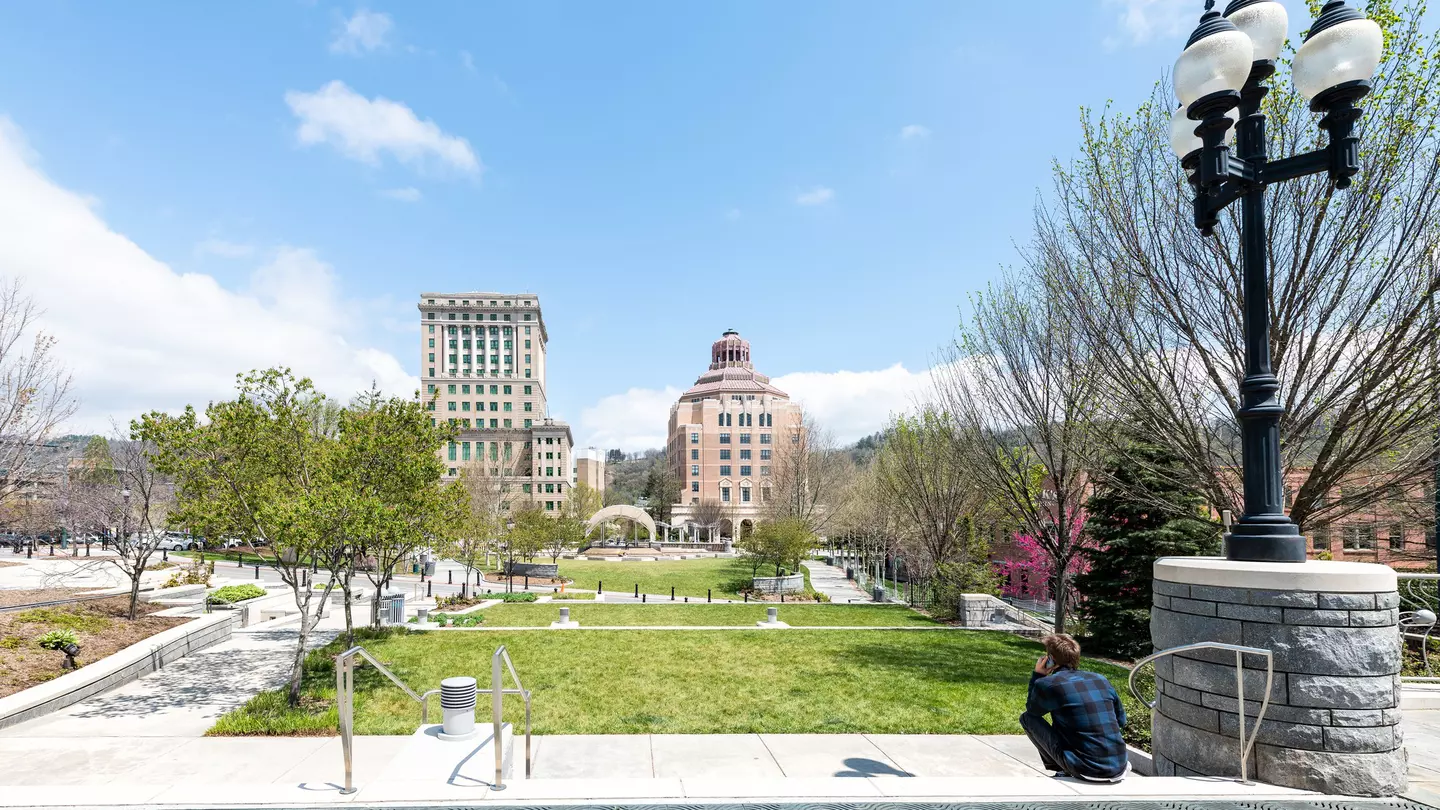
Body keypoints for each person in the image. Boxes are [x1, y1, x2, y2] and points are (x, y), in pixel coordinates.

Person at [1020, 633, 1130, 782]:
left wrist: (1038, 675)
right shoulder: (1100, 679)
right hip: (1120, 767)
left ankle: (1062, 769)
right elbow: (1121, 721)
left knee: (1027, 718)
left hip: (1086, 769)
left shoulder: (1048, 684)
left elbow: (1033, 710)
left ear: (1051, 659)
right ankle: (1067, 768)